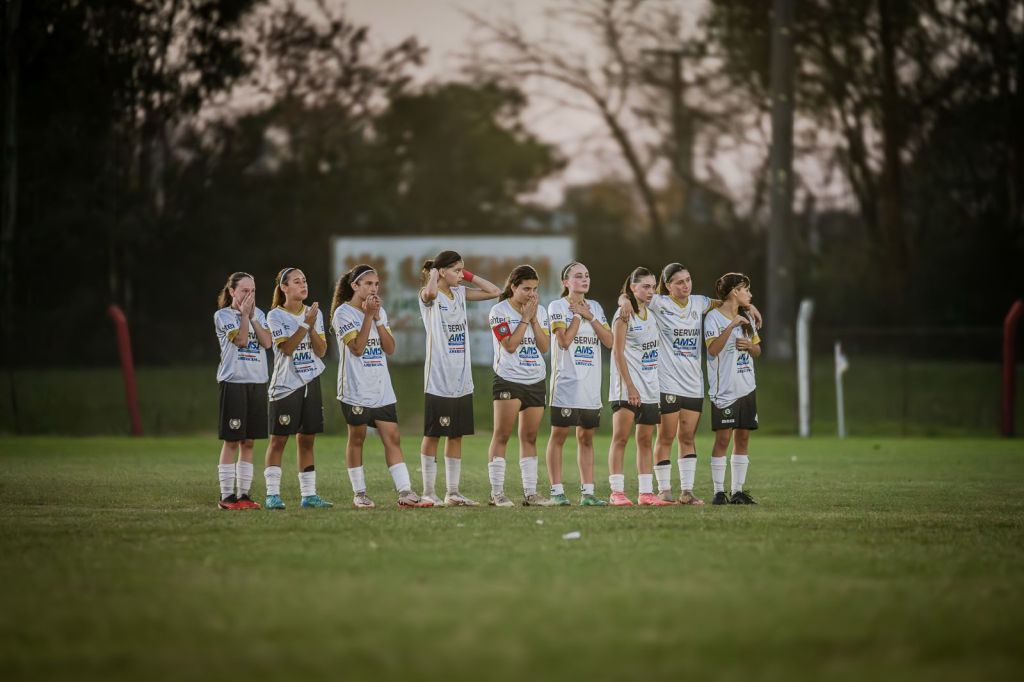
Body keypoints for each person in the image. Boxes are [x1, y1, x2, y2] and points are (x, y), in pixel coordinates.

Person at [331, 264, 432, 509]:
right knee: (357, 437)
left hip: (381, 388)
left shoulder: (379, 311)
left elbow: (389, 348)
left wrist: (376, 318)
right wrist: (367, 316)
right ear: (354, 286)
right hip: (356, 388)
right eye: (368, 284)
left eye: (376, 284)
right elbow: (357, 348)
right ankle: (360, 493)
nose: (374, 288)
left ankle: (406, 492)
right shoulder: (342, 313)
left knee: (392, 437)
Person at [418, 250, 501, 506]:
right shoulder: (428, 295)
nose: (460, 275)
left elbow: (494, 291)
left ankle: (452, 493)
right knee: (433, 434)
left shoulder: (461, 293)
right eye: (455, 270)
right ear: (441, 271)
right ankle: (428, 492)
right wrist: (434, 274)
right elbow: (429, 293)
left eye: (461, 270)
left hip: (462, 379)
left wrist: (467, 275)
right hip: (439, 378)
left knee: (456, 435)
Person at [263, 267, 333, 509]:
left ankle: (309, 495)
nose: (303, 285)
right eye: (296, 281)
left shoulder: (314, 313)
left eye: (304, 280)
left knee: (307, 439)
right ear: (284, 288)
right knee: (279, 440)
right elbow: (287, 349)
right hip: (286, 385)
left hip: (310, 382)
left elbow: (321, 351)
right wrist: (305, 324)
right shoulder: (275, 316)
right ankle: (272, 494)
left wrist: (312, 325)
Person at [545, 261, 613, 506]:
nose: (584, 280)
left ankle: (588, 493)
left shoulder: (594, 306)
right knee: (559, 436)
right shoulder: (557, 306)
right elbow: (564, 342)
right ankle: (556, 492)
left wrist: (590, 316)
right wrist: (576, 315)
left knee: (586, 438)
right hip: (566, 385)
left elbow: (610, 341)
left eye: (587, 275)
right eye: (578, 276)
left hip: (590, 387)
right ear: (565, 282)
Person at [487, 265, 552, 506]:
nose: (531, 294)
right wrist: (525, 318)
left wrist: (534, 319)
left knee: (530, 437)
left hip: (535, 379)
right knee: (502, 434)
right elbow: (510, 345)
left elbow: (545, 348)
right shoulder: (499, 311)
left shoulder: (540, 311)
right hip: (509, 378)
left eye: (535, 289)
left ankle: (531, 493)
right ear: (513, 287)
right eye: (526, 289)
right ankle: (497, 493)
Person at [608, 267, 672, 506]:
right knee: (621, 438)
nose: (650, 291)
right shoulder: (623, 314)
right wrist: (630, 386)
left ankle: (646, 493)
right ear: (633, 287)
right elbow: (617, 352)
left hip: (650, 388)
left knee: (645, 440)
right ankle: (616, 492)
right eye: (645, 286)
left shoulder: (651, 311)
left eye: (653, 286)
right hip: (627, 387)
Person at [213, 272, 272, 510]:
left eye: (253, 291)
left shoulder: (260, 314)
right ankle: (227, 497)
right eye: (245, 291)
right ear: (232, 292)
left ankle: (244, 495)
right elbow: (241, 341)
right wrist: (245, 316)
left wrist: (253, 317)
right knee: (232, 440)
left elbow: (267, 343)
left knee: (249, 441)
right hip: (234, 382)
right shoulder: (223, 315)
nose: (249, 295)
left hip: (257, 382)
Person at [705, 272, 762, 505]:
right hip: (725, 391)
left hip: (747, 387)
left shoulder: (747, 315)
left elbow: (758, 351)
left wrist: (749, 345)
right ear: (734, 292)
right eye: (746, 289)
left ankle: (738, 491)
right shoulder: (713, 318)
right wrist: (731, 326)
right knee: (722, 440)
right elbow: (712, 350)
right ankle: (719, 492)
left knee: (743, 438)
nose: (749, 294)